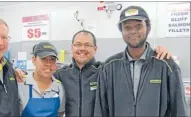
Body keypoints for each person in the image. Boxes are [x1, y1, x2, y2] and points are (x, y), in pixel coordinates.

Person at [16, 31, 173, 117]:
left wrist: (154, 51)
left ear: (95, 49)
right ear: (72, 47)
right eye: (78, 44)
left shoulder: (105, 71)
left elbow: (132, 65)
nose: (82, 48)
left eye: (87, 45)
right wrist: (16, 71)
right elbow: (42, 74)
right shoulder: (61, 75)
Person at [94, 5, 189, 116]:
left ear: (148, 28)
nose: (133, 31)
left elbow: (179, 110)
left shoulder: (166, 66)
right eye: (127, 27)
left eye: (139, 26)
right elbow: (101, 110)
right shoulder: (108, 67)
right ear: (122, 31)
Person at [18, 41, 65, 117]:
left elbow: (60, 113)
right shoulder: (21, 84)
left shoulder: (59, 87)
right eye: (43, 58)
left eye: (52, 59)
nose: (48, 63)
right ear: (33, 60)